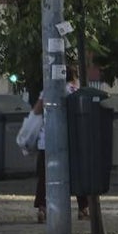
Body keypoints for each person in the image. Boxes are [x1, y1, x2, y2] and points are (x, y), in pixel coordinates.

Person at [31, 67, 89, 223]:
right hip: (69, 141)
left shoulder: (48, 92)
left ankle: (42, 208)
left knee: (45, 176)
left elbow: (36, 112)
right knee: (77, 174)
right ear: (73, 77)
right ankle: (83, 208)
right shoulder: (74, 92)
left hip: (47, 141)